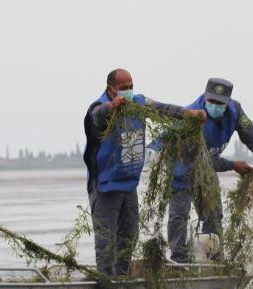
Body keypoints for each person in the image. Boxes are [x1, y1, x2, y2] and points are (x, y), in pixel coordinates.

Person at [83, 68, 204, 276]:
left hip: (128, 185)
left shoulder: (138, 103)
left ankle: (120, 278)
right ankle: (105, 284)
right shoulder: (99, 107)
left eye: (130, 87)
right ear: (110, 89)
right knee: (106, 242)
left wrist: (188, 113)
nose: (128, 91)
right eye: (123, 88)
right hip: (105, 187)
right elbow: (96, 117)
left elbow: (162, 109)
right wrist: (111, 107)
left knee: (129, 235)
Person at [165, 78, 253, 263]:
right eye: (211, 101)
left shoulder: (235, 111)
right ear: (205, 97)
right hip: (182, 167)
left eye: (220, 103)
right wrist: (232, 165)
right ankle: (179, 260)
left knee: (213, 214)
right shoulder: (192, 116)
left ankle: (213, 258)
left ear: (228, 102)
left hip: (208, 169)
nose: (215, 106)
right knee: (179, 215)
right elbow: (200, 160)